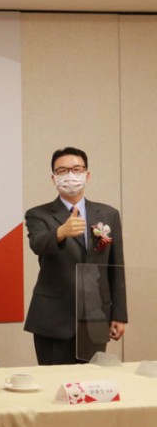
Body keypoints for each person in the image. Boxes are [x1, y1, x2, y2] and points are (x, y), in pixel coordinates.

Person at [25, 147, 127, 365]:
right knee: (54, 387)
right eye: (62, 171)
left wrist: (118, 314)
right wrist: (61, 232)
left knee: (91, 386)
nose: (69, 176)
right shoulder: (38, 214)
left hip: (95, 316)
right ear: (54, 178)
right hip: (52, 318)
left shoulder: (108, 214)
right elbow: (38, 244)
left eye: (76, 169)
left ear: (86, 174)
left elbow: (116, 266)